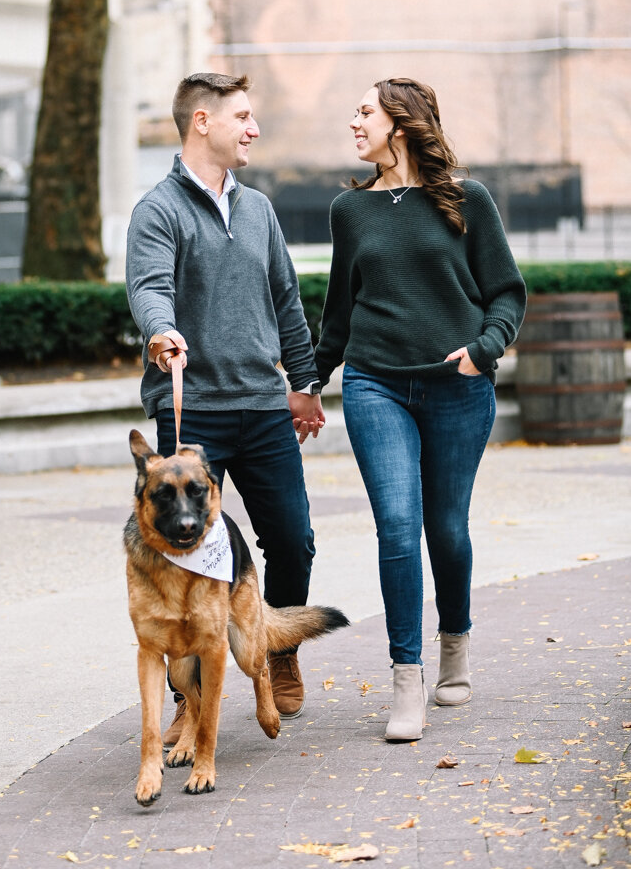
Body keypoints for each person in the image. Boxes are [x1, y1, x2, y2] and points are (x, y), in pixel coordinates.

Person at [313, 77, 526, 742]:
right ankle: (407, 679)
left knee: (447, 529)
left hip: (457, 387)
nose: (354, 121)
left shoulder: (468, 199)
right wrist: (306, 381)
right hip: (375, 384)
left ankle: (454, 643)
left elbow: (506, 293)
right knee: (398, 528)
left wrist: (481, 351)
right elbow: (339, 312)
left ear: (399, 125)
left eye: (364, 111)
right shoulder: (349, 211)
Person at [125, 72, 326, 741]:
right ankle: (191, 690)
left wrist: (303, 383)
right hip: (194, 416)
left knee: (292, 538)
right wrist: (161, 332)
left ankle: (278, 648)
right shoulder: (158, 210)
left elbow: (287, 301)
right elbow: (150, 289)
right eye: (242, 116)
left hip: (262, 406)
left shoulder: (259, 209)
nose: (254, 128)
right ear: (202, 122)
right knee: (186, 558)